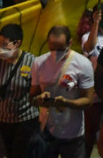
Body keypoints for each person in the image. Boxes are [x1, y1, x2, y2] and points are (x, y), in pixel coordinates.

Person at [31, 25, 96, 158]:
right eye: (52, 48)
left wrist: (66, 103)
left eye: (60, 48)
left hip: (73, 134)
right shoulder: (39, 63)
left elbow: (88, 101)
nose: (55, 52)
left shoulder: (82, 64)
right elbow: (31, 97)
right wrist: (39, 99)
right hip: (47, 132)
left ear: (70, 43)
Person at [0, 24, 39, 158]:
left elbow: (38, 92)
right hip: (0, 120)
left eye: (5, 44)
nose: (1, 48)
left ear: (17, 43)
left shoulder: (33, 63)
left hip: (25, 121)